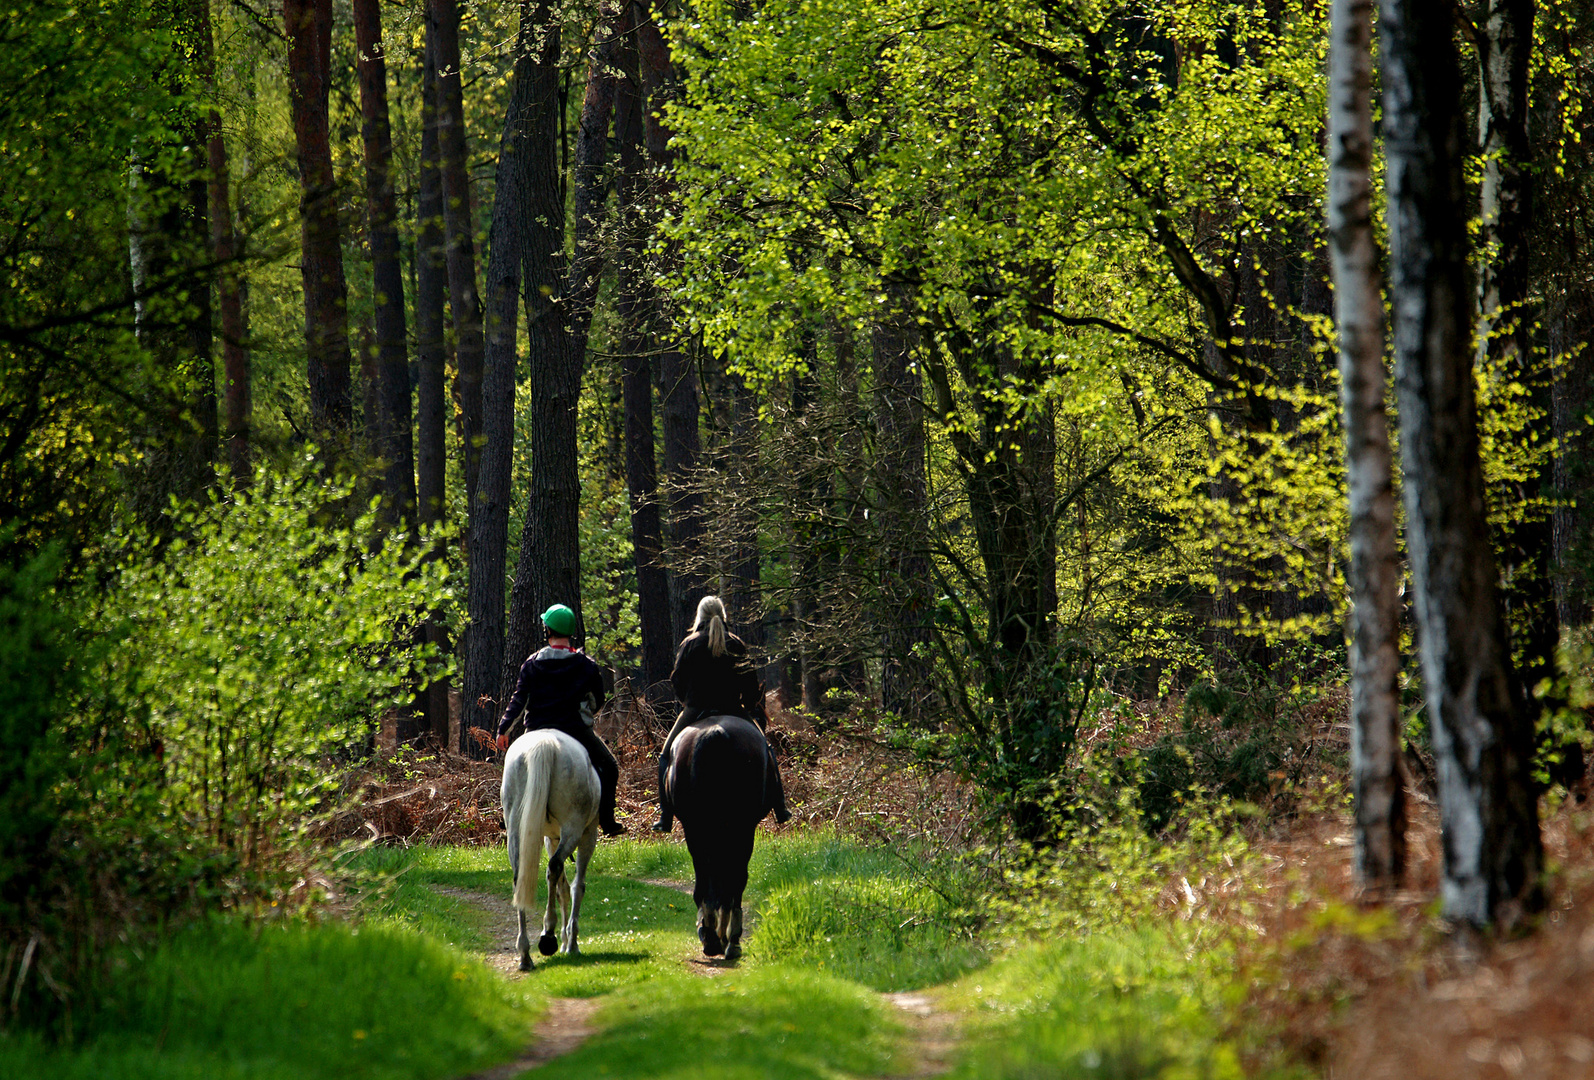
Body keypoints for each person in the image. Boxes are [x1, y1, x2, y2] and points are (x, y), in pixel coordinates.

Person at [653, 595, 792, 832]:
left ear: (700, 615)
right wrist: (747, 705)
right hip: (732, 709)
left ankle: (665, 817)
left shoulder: (689, 643)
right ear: (722, 614)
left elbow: (677, 680)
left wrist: (688, 701)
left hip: (695, 710)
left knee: (666, 755)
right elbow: (749, 683)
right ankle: (780, 807)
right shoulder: (735, 643)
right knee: (766, 749)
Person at [495, 603, 625, 836]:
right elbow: (597, 701)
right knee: (610, 767)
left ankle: (508, 812)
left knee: (514, 765)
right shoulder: (587, 666)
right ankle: (607, 820)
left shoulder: (532, 663)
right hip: (575, 730)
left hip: (535, 729)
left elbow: (518, 701)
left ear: (548, 631)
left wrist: (503, 728)